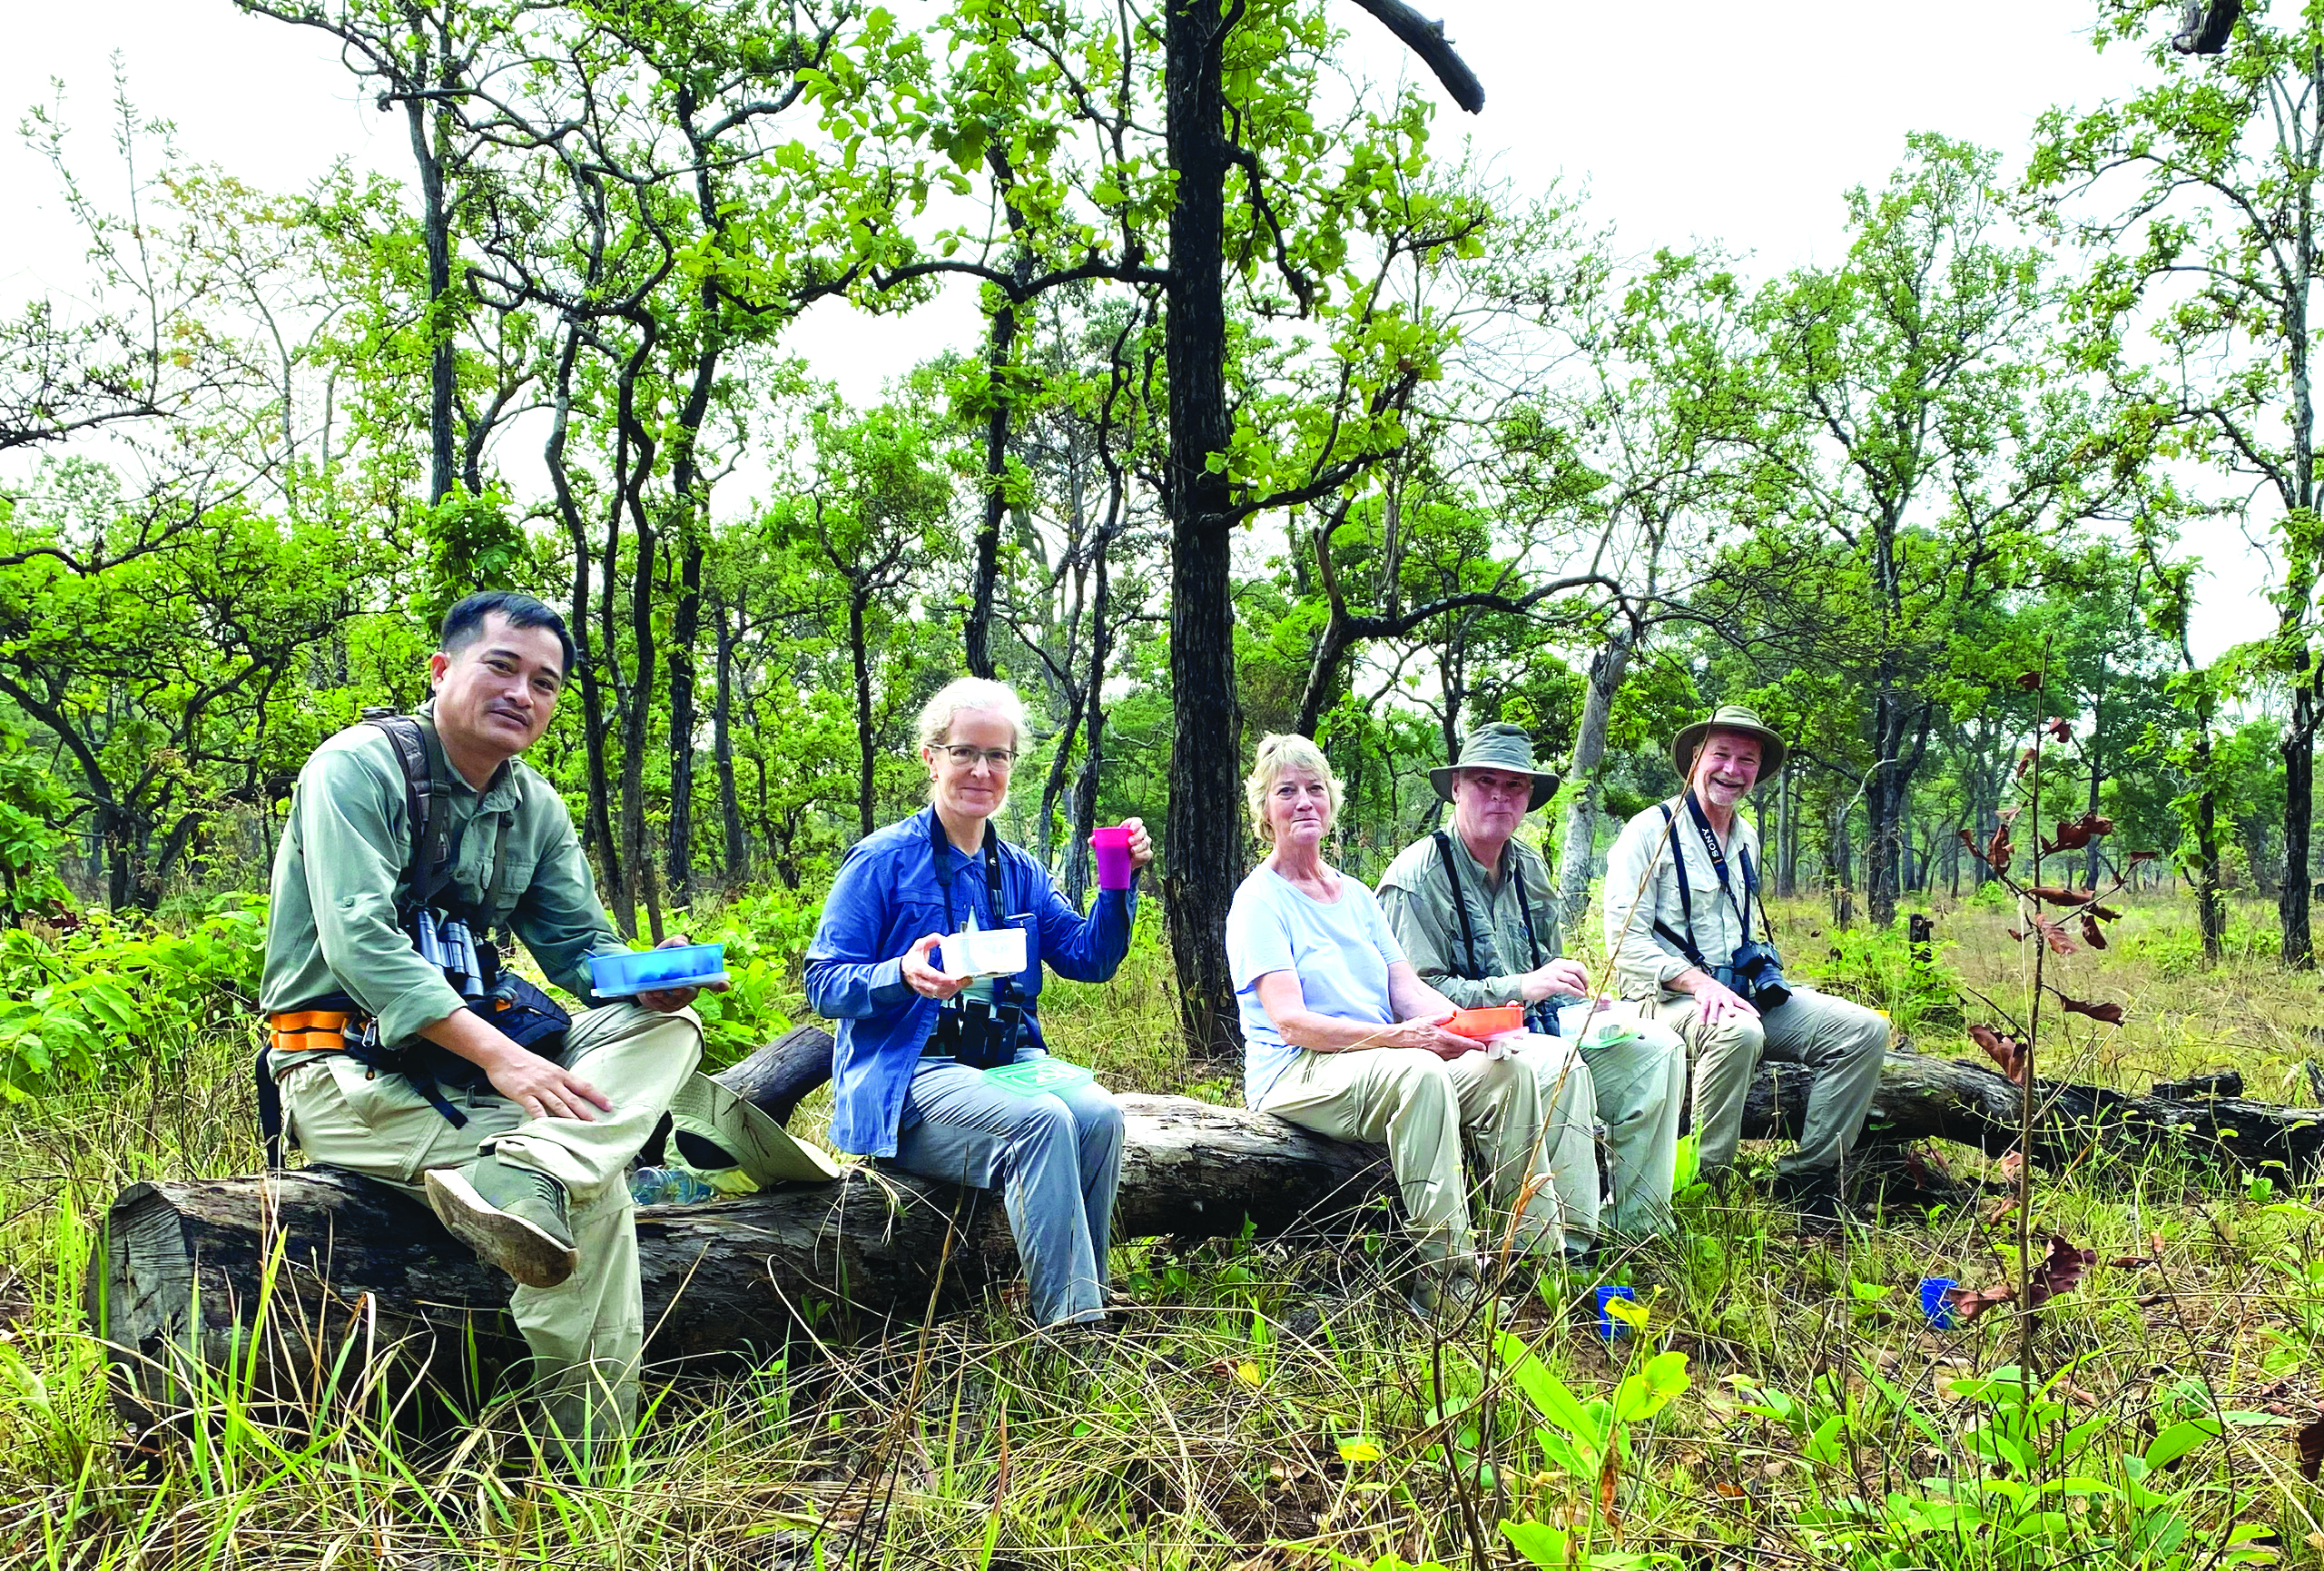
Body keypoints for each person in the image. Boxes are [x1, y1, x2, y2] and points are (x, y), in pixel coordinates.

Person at [260, 591, 836, 1456]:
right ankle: (591, 1467)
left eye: (545, 682)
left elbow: (580, 951)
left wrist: (646, 979)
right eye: (502, 667)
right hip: (351, 1074)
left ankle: (530, 1171)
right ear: (443, 669)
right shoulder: (358, 768)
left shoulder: (533, 806)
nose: (522, 693)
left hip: (473, 1071)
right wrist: (503, 1062)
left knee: (667, 1036)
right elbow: (360, 942)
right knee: (597, 1196)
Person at [803, 677, 1152, 1332]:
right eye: (965, 752)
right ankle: (1074, 1338)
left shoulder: (1018, 869)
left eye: (997, 756)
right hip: (915, 1079)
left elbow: (1090, 960)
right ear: (932, 756)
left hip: (1002, 1064)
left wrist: (1118, 886)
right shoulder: (881, 861)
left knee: (1100, 1114)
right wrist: (899, 975)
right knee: (1042, 1121)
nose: (981, 770)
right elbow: (823, 981)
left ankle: (1088, 1296)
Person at [1226, 733, 1566, 1309]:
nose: (1303, 802)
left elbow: (1405, 989)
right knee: (1420, 1074)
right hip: (1299, 1071)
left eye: (1315, 789)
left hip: (1379, 1057)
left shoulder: (1355, 894)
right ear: (1264, 810)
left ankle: (1537, 1261)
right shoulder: (1259, 900)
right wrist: (1399, 1040)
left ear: (1332, 802)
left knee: (1508, 1073)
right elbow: (1291, 1023)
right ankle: (1448, 1281)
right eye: (1287, 792)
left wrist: (1475, 1028)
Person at [1376, 721, 1687, 1250]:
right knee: (1555, 1064)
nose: (1499, 797)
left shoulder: (1529, 868)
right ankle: (1562, 1249)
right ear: (1456, 788)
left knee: (1657, 1048)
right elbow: (1416, 1001)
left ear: (1528, 799)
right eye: (1483, 782)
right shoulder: (1417, 877)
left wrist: (1578, 997)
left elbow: (1547, 970)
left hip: (1535, 1032)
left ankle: (1637, 1228)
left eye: (1514, 786)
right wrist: (1526, 986)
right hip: (1463, 1053)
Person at [1601, 704, 1888, 1230]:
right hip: (1661, 1001)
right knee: (1737, 1032)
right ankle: (1707, 1186)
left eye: (1747, 760)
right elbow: (1623, 943)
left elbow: (1740, 928)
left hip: (1737, 995)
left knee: (1865, 1030)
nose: (1733, 770)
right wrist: (1694, 980)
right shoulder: (1650, 831)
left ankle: (1810, 1178)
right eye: (1722, 755)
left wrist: (1757, 971)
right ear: (1694, 759)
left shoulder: (1748, 837)